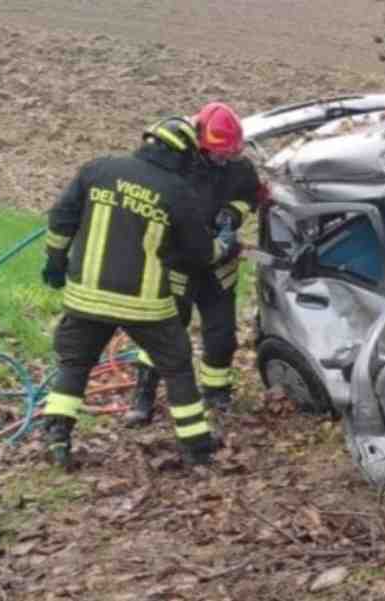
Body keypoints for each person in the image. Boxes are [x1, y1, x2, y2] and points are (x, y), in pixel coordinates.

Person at [40, 115, 234, 467]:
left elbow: (60, 218)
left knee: (74, 365)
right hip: (144, 306)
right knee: (176, 368)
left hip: (87, 297)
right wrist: (224, 244)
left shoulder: (98, 170)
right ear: (183, 156)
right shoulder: (178, 192)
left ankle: (57, 437)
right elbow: (200, 254)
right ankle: (197, 447)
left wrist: (55, 260)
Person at [124, 102, 271, 428]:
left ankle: (217, 395)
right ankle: (144, 396)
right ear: (200, 145)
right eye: (217, 154)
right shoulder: (179, 167)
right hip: (180, 264)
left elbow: (250, 196)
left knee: (222, 336)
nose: (223, 160)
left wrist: (233, 213)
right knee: (165, 334)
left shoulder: (239, 169)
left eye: (229, 154)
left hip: (219, 268)